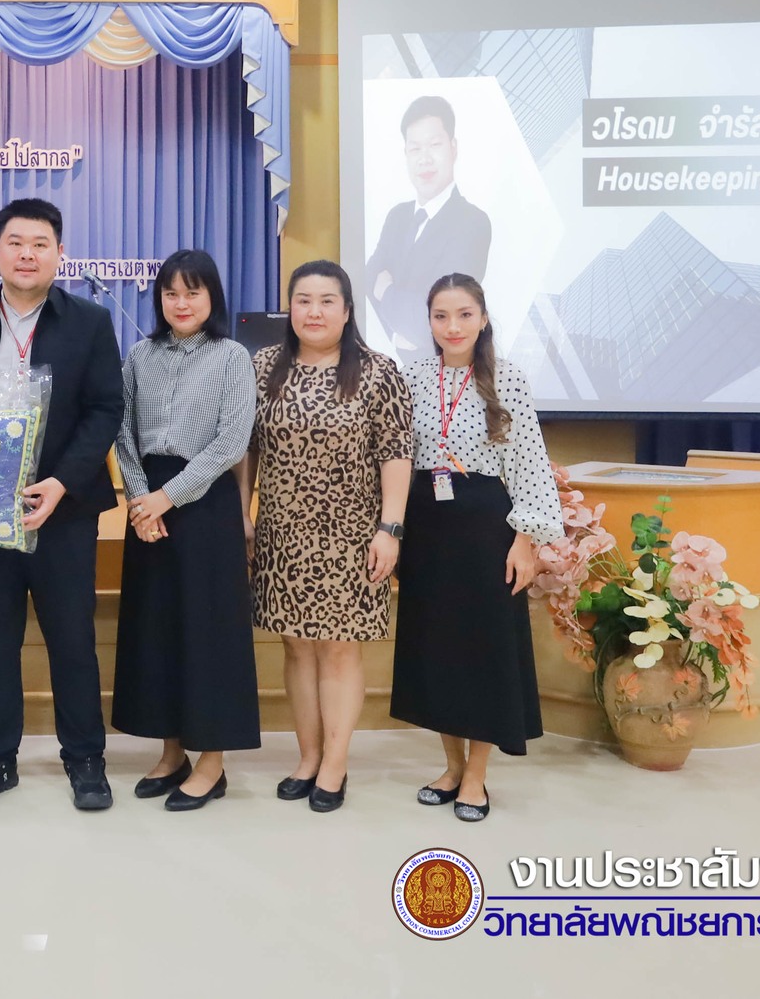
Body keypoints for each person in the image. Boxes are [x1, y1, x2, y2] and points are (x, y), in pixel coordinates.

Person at [0, 198, 124, 812]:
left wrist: (62, 482)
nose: (27, 254)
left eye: (40, 244)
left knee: (72, 639)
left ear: (60, 253)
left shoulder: (89, 321)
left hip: (62, 509)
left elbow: (105, 410)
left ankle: (85, 760)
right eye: (15, 242)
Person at [239, 259, 412, 813]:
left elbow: (396, 454)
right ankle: (308, 757)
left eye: (326, 301)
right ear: (290, 308)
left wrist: (390, 528)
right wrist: (243, 513)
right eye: (303, 300)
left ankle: (335, 764)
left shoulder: (378, 372)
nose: (313, 312)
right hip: (282, 532)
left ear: (347, 309)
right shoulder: (263, 366)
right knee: (295, 645)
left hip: (352, 534)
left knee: (339, 648)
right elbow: (247, 448)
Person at [392, 273, 565, 822]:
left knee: (483, 649)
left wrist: (525, 541)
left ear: (483, 318)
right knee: (437, 649)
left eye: (465, 314)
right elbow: (396, 455)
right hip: (427, 528)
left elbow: (529, 462)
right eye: (441, 316)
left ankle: (477, 775)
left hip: (486, 530)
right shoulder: (412, 377)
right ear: (429, 322)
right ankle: (450, 766)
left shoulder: (506, 378)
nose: (453, 326)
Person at [113, 249, 261, 811]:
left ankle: (212, 764)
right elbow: (122, 432)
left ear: (211, 297)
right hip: (147, 504)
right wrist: (140, 502)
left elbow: (231, 443)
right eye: (171, 293)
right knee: (158, 630)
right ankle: (171, 753)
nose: (181, 303)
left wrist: (166, 499)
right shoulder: (139, 355)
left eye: (192, 292)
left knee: (208, 633)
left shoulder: (231, 357)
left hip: (205, 504)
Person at [365, 94, 492, 357]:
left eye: (434, 145)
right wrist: (397, 335)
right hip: (387, 372)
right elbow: (367, 284)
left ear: (453, 148)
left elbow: (436, 321)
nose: (424, 158)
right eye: (415, 149)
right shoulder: (397, 217)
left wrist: (386, 291)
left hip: (445, 373)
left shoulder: (473, 222)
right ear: (406, 154)